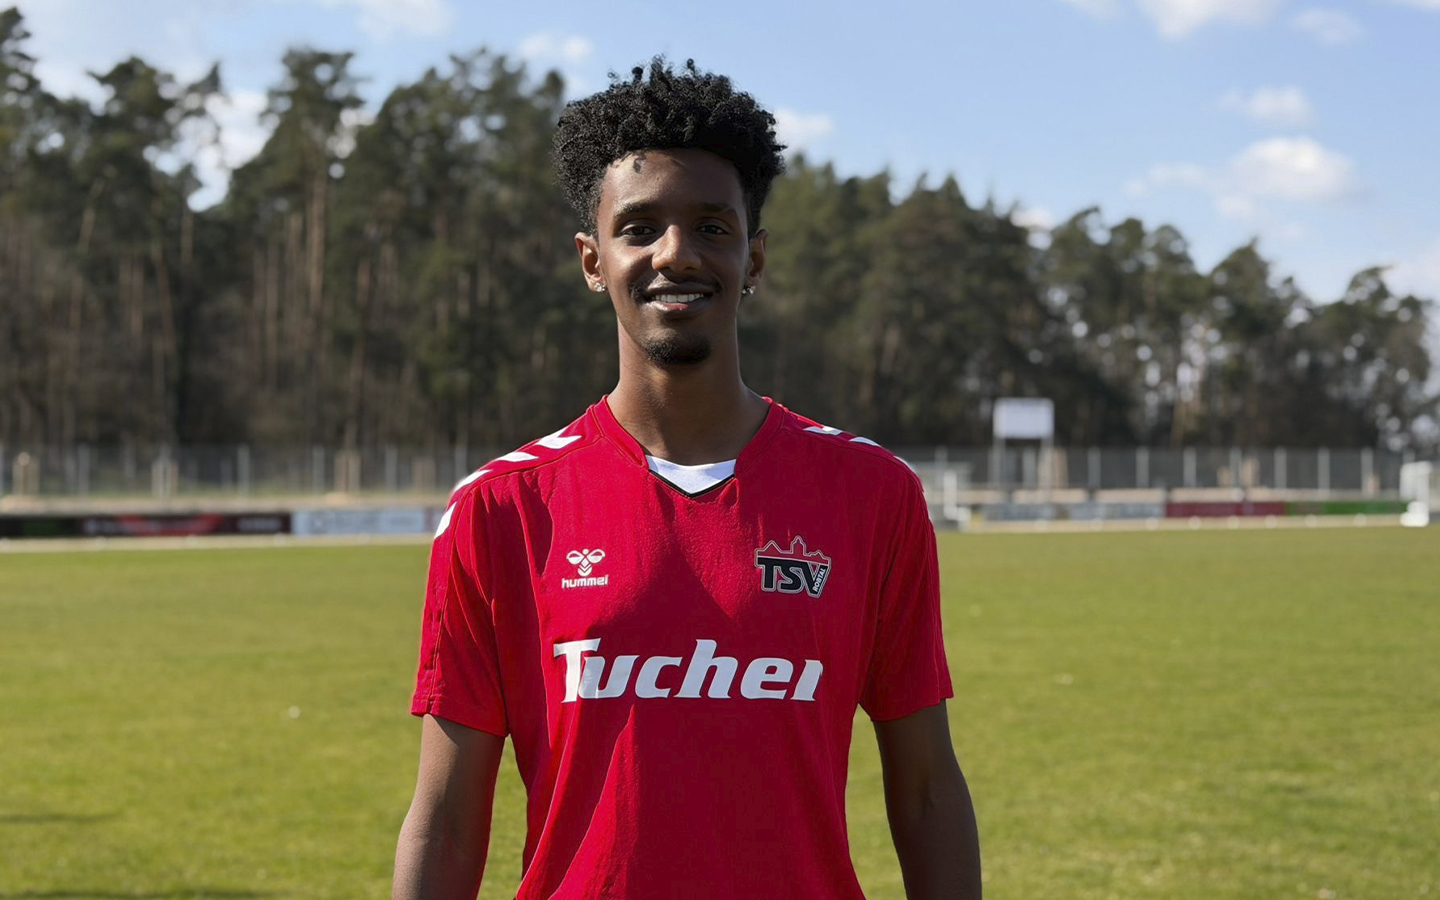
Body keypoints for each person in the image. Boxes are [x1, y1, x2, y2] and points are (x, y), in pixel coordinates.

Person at [393, 58, 981, 900]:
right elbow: (447, 819)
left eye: (711, 226)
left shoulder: (871, 494)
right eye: (640, 227)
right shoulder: (501, 507)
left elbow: (925, 791)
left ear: (754, 257)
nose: (676, 253)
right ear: (593, 260)